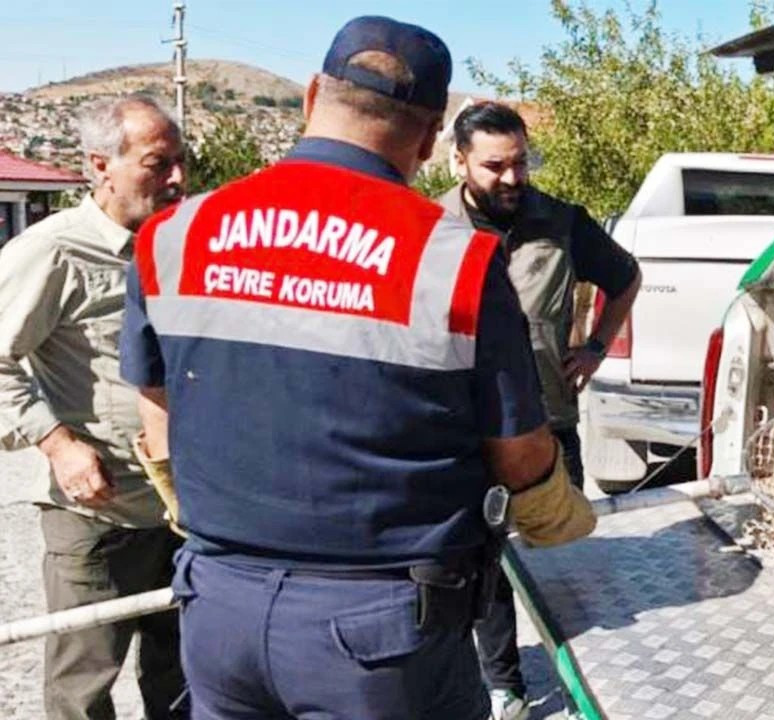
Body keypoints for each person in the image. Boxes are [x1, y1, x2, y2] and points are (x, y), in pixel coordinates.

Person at [118, 16, 595, 720]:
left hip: (218, 607)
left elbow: (155, 407)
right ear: (433, 137)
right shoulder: (457, 260)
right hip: (380, 631)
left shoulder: (173, 235)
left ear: (313, 96)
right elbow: (518, 450)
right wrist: (558, 515)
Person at [440, 101, 640, 720]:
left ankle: (585, 677)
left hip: (548, 420)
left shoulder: (561, 220)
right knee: (483, 564)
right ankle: (505, 687)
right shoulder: (431, 227)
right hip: (465, 426)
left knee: (563, 553)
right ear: (459, 161)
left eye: (520, 163)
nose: (510, 178)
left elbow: (626, 277)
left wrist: (597, 347)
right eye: (495, 166)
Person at [0, 95, 187, 720]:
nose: (176, 180)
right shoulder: (53, 251)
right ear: (100, 165)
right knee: (82, 690)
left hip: (184, 513)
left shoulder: (179, 247)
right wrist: (56, 442)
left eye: (180, 163)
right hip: (96, 516)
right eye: (157, 164)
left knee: (184, 678)